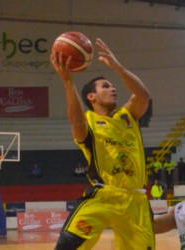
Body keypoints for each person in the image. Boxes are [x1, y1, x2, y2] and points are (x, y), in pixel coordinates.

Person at [51, 38, 154, 249]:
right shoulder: (87, 120)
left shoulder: (128, 117)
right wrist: (68, 81)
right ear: (91, 96)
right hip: (103, 195)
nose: (113, 89)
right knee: (68, 244)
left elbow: (143, 95)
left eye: (113, 85)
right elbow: (76, 120)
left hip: (136, 201)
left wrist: (116, 65)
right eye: (105, 86)